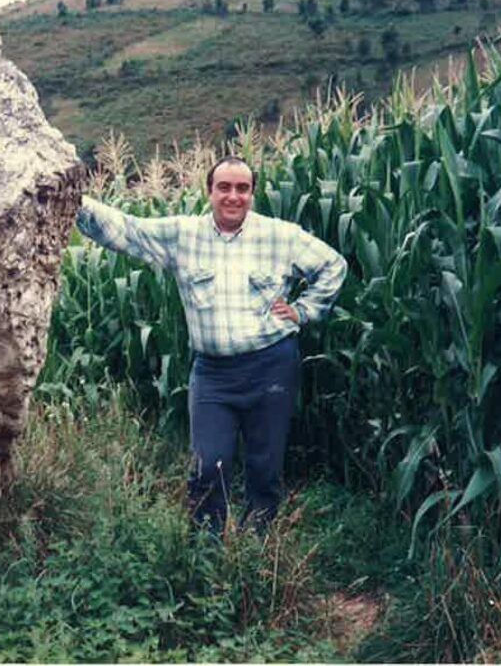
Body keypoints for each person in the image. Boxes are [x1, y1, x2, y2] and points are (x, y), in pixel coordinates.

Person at [75, 156, 347, 537]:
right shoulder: (183, 235)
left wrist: (304, 311)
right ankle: (207, 552)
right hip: (213, 373)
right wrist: (72, 198)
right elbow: (128, 231)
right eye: (224, 187)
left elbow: (333, 265)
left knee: (265, 466)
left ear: (252, 193)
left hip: (272, 367)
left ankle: (257, 548)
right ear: (209, 192)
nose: (233, 196)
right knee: (208, 465)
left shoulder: (281, 236)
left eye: (242, 188)